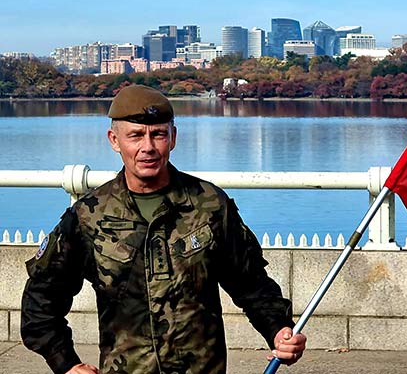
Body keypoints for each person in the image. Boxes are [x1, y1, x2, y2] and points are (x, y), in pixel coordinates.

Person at [21, 85, 306, 374]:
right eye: (135, 135)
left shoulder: (208, 204)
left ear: (173, 138)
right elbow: (40, 302)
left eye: (158, 134)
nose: (148, 147)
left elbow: (252, 284)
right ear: (114, 140)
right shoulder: (88, 216)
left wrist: (278, 329)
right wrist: (66, 364)